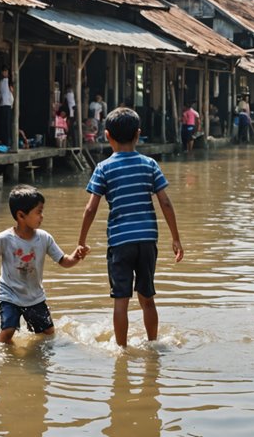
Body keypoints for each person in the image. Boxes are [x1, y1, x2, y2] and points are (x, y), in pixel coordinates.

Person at [77, 107, 184, 347]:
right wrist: (176, 238)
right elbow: (165, 202)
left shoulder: (103, 168)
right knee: (147, 297)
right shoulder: (149, 164)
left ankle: (122, 349)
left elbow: (90, 209)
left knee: (121, 301)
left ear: (107, 136)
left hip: (119, 242)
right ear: (138, 134)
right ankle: (153, 343)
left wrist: (81, 241)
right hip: (147, 241)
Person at [0, 185, 90, 344]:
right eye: (38, 212)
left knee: (49, 334)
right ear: (21, 215)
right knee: (8, 331)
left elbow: (64, 261)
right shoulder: (4, 239)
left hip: (34, 296)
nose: (42, 216)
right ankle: (2, 360)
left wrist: (77, 256)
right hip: (9, 293)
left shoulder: (44, 238)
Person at [0, 66, 14, 149]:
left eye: (6, 71)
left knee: (7, 124)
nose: (4, 73)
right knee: (3, 123)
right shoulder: (1, 82)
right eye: (4, 71)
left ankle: (8, 141)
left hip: (7, 104)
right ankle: (4, 140)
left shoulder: (9, 82)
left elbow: (12, 93)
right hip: (3, 104)